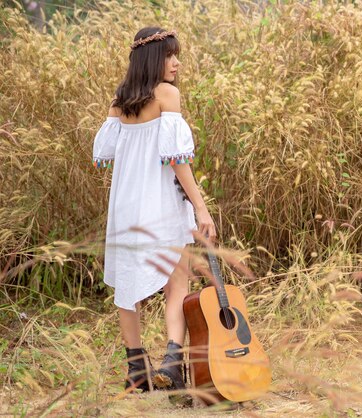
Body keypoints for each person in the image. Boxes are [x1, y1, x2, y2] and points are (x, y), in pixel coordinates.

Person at [92, 27, 217, 403]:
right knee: (177, 282)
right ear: (152, 59)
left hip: (126, 206)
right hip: (161, 202)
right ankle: (171, 364)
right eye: (170, 55)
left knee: (128, 288)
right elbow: (178, 161)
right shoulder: (168, 95)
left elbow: (107, 153)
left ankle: (135, 372)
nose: (177, 63)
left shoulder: (121, 101)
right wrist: (200, 206)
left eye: (177, 55)